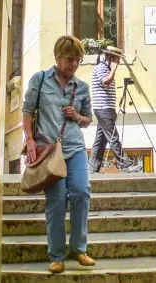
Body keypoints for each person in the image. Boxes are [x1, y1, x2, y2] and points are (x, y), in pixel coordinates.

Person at [22, 35, 95, 273]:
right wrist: (30, 140)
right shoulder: (40, 80)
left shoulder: (81, 87)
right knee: (56, 200)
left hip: (74, 147)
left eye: (77, 60)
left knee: (81, 192)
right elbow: (28, 111)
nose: (73, 64)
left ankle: (79, 248)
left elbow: (88, 120)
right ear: (57, 57)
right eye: (69, 59)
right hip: (47, 149)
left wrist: (78, 116)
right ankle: (56, 255)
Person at [88, 46, 139, 173]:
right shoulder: (101, 68)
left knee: (101, 139)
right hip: (103, 108)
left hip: (106, 108)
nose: (119, 62)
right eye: (117, 59)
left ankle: (92, 167)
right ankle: (125, 164)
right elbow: (106, 82)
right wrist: (114, 69)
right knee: (113, 137)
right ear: (111, 58)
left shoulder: (106, 69)